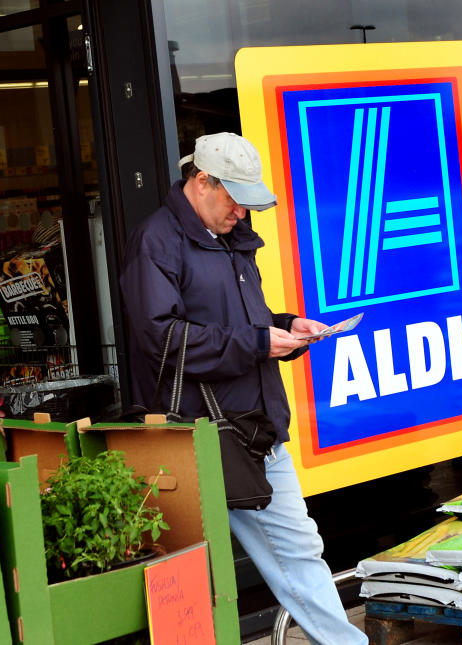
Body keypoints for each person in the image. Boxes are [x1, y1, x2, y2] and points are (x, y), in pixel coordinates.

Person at [120, 132, 368, 645]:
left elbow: (235, 325)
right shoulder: (157, 241)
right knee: (198, 578)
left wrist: (286, 327)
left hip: (250, 431)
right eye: (234, 197)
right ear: (202, 181)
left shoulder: (227, 234)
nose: (241, 211)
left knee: (297, 553)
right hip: (202, 443)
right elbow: (160, 342)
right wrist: (256, 342)